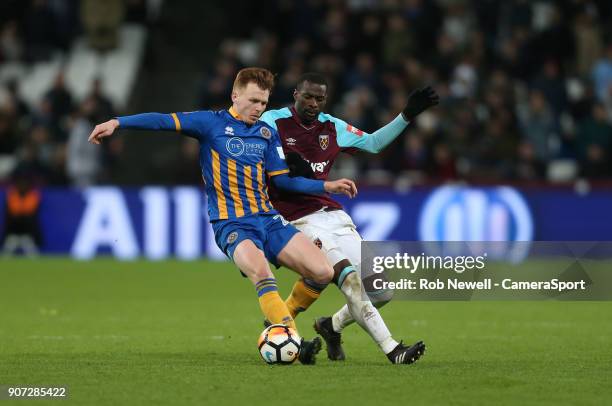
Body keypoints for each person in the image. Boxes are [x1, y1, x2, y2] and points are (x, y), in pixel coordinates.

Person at [87, 67, 358, 364]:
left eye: (264, 103)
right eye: (254, 101)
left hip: (268, 218)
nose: (259, 109)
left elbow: (283, 181)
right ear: (235, 95)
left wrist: (325, 185)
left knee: (322, 272)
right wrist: (117, 122)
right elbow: (162, 121)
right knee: (261, 273)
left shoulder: (266, 133)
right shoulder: (209, 123)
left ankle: (279, 320)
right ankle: (292, 338)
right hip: (232, 224)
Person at [260, 72, 438, 364]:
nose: (314, 103)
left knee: (383, 291)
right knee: (350, 279)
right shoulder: (272, 122)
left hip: (332, 215)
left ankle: (332, 326)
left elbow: (373, 144)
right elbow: (267, 168)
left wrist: (406, 116)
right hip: (296, 221)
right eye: (308, 96)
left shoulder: (332, 127)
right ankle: (393, 350)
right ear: (295, 95)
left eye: (320, 98)